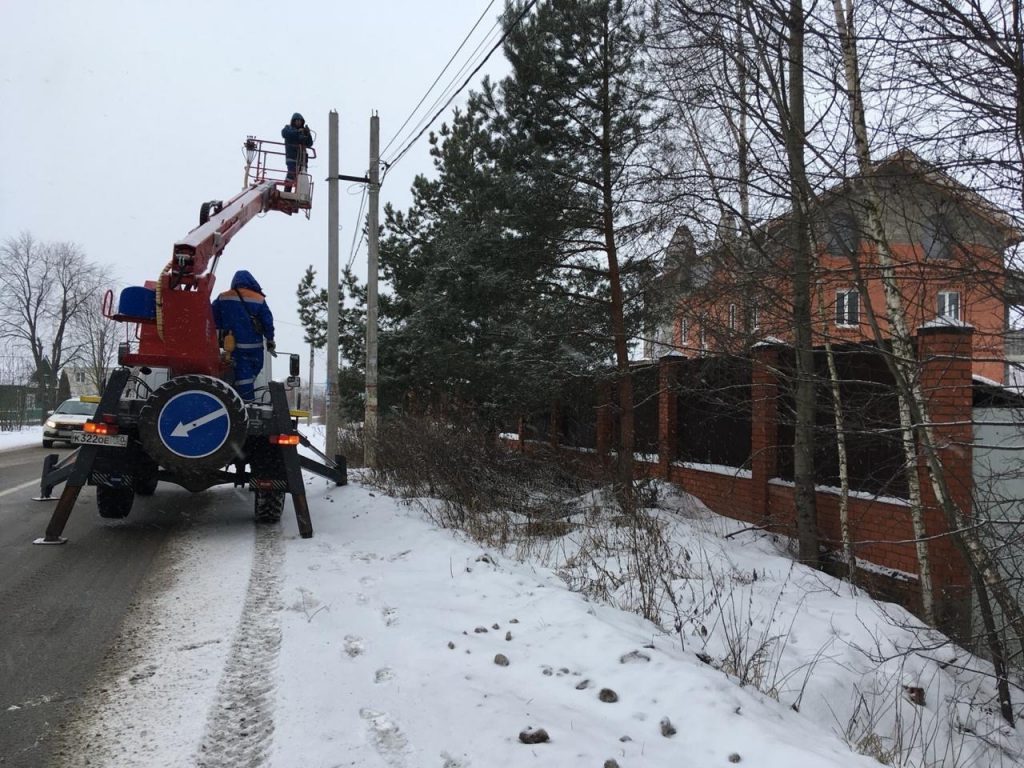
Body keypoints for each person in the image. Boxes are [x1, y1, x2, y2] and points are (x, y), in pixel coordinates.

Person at [212, 270, 276, 401]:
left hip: (234, 346)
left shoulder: (224, 297)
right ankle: (245, 402)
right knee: (250, 375)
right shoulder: (259, 299)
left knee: (243, 377)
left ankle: (241, 400)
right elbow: (267, 322)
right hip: (255, 347)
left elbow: (213, 318)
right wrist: (270, 339)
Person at [281, 112, 313, 191]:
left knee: (302, 177)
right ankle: (287, 191)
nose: (299, 122)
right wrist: (298, 132)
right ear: (293, 121)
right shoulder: (288, 128)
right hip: (292, 157)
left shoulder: (303, 132)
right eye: (297, 120)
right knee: (291, 174)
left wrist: (308, 134)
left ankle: (299, 193)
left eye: (300, 121)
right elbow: (284, 133)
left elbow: (309, 143)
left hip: (302, 159)